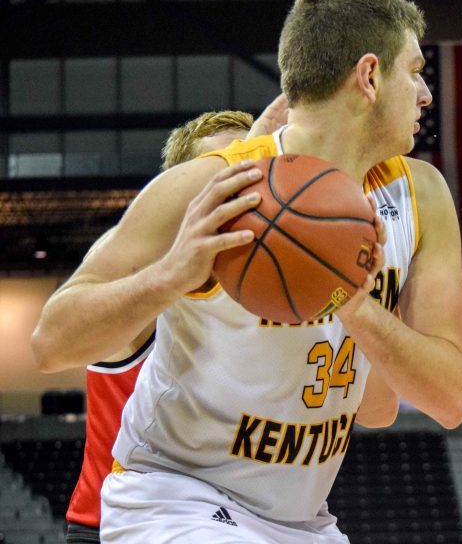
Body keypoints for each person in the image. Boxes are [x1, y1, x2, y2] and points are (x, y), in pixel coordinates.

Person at [31, 0, 462, 543]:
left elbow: (451, 400)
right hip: (174, 499)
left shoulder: (422, 195)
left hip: (300, 522)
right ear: (368, 76)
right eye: (414, 71)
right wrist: (173, 274)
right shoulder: (214, 186)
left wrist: (358, 306)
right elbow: (51, 341)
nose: (426, 93)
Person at [32, 100, 289, 544]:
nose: (238, 187)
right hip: (119, 525)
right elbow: (51, 341)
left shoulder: (271, 287)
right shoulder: (144, 269)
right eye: (219, 171)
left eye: (248, 168)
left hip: (241, 522)